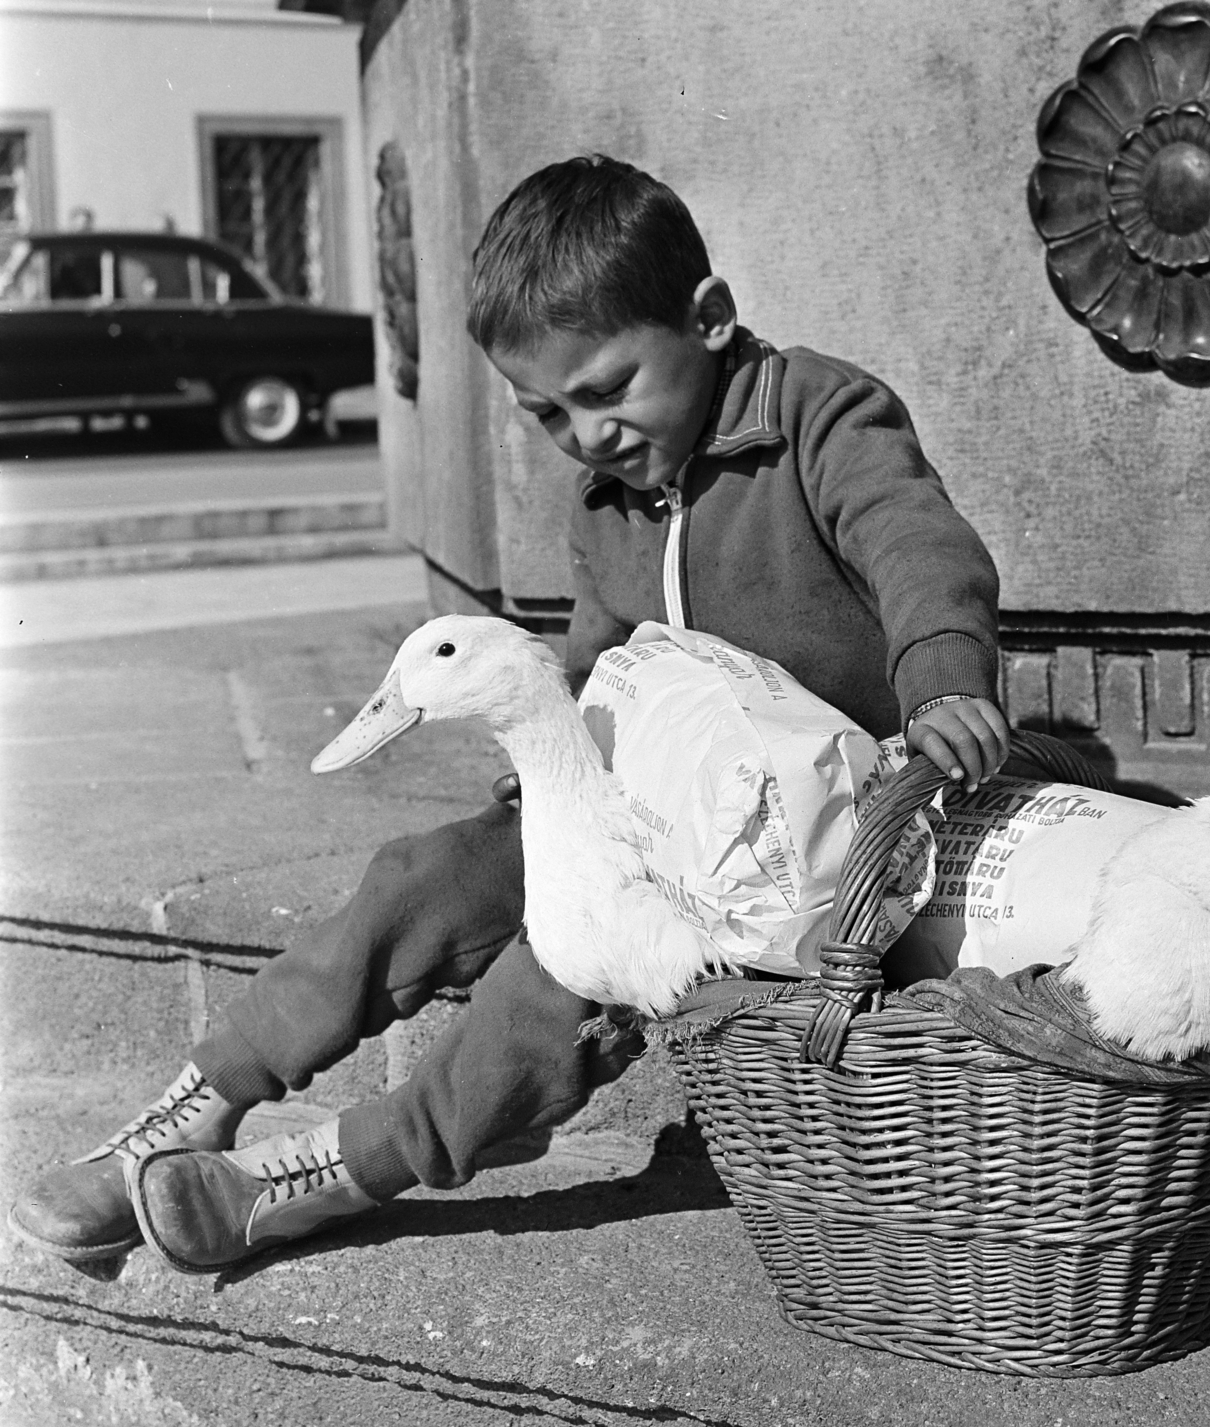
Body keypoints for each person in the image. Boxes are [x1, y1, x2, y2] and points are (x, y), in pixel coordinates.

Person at [9, 155, 1010, 1274]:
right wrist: (542, 790)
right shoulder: (609, 496)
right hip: (640, 802)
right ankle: (206, 1096)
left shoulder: (815, 414)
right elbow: (595, 671)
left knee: (560, 967)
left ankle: (322, 1174)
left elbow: (912, 539)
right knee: (422, 877)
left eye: (609, 389)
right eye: (546, 413)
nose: (586, 434)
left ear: (711, 320)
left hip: (804, 842)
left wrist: (942, 675)